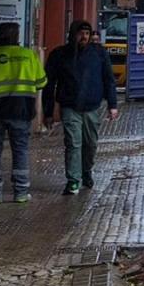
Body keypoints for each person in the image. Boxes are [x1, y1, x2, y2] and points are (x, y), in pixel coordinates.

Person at [0, 22, 46, 204]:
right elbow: (41, 82)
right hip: (21, 110)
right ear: (17, 36)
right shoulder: (28, 56)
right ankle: (21, 192)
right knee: (20, 150)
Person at [43, 20, 120, 194]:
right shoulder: (59, 54)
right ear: (72, 34)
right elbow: (49, 84)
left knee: (90, 143)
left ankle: (86, 171)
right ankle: (73, 180)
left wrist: (112, 104)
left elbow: (108, 79)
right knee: (73, 143)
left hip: (93, 106)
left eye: (87, 33)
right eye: (80, 33)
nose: (84, 37)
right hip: (70, 106)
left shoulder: (99, 53)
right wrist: (48, 112)